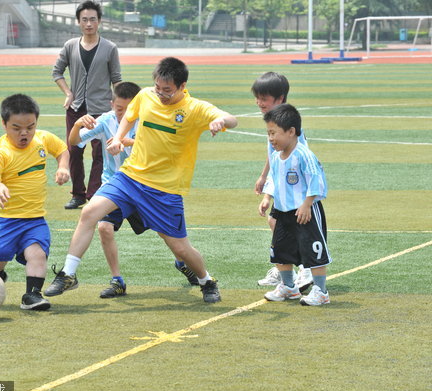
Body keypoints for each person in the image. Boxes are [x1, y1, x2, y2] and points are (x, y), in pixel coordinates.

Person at [45, 57, 238, 303]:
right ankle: (68, 274)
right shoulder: (146, 95)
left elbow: (232, 119)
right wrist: (118, 137)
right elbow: (130, 115)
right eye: (158, 87)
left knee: (180, 248)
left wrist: (221, 121)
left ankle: (206, 281)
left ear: (182, 86)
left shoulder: (195, 108)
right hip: (130, 176)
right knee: (89, 213)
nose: (160, 94)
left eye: (167, 90)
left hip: (164, 190)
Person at [68, 82, 198, 298]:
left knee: (166, 234)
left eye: (129, 109)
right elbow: (74, 141)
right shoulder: (105, 121)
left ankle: (183, 263)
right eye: (119, 108)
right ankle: (117, 280)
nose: (124, 114)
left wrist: (128, 142)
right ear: (112, 104)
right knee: (104, 228)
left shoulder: (150, 119)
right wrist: (77, 124)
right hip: (116, 185)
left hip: (146, 185)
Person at [0, 94, 70, 311]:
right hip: (4, 219)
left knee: (37, 253)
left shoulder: (42, 139)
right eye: (16, 128)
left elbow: (62, 150)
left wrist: (63, 167)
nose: (24, 133)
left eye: (30, 127)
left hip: (34, 218)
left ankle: (32, 295)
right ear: (4, 124)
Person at [52, 0, 122, 210]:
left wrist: (119, 107)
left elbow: (117, 78)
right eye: (85, 20)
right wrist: (68, 93)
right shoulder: (70, 45)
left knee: (101, 152)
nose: (89, 23)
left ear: (99, 21)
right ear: (79, 22)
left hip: (102, 109)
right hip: (76, 108)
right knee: (74, 151)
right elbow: (57, 72)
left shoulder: (110, 48)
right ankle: (78, 194)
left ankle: (95, 193)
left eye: (93, 19)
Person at [258, 104, 331, 306]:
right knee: (280, 250)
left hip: (304, 213)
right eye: (268, 133)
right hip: (282, 213)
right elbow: (273, 179)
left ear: (291, 132)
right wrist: (267, 197)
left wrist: (307, 204)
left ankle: (321, 291)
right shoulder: (275, 156)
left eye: (274, 133)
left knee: (313, 251)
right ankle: (289, 288)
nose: (271, 138)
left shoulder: (303, 155)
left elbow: (317, 181)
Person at [251, 72, 313, 291]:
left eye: (264, 98)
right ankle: (284, 268)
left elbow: (296, 159)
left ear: (280, 99)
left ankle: (305, 267)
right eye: (257, 97)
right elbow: (274, 155)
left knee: (294, 227)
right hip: (283, 184)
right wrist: (264, 179)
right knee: (275, 223)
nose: (259, 102)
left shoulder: (288, 125)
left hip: (295, 187)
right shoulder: (274, 121)